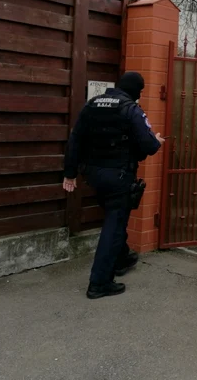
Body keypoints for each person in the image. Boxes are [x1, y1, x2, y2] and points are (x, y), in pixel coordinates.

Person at [62, 72, 164, 299]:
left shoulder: (92, 105)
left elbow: (75, 140)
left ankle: (122, 257)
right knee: (114, 224)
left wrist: (70, 173)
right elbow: (148, 146)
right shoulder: (130, 109)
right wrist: (156, 140)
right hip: (119, 176)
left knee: (114, 218)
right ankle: (99, 283)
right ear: (136, 90)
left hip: (94, 175)